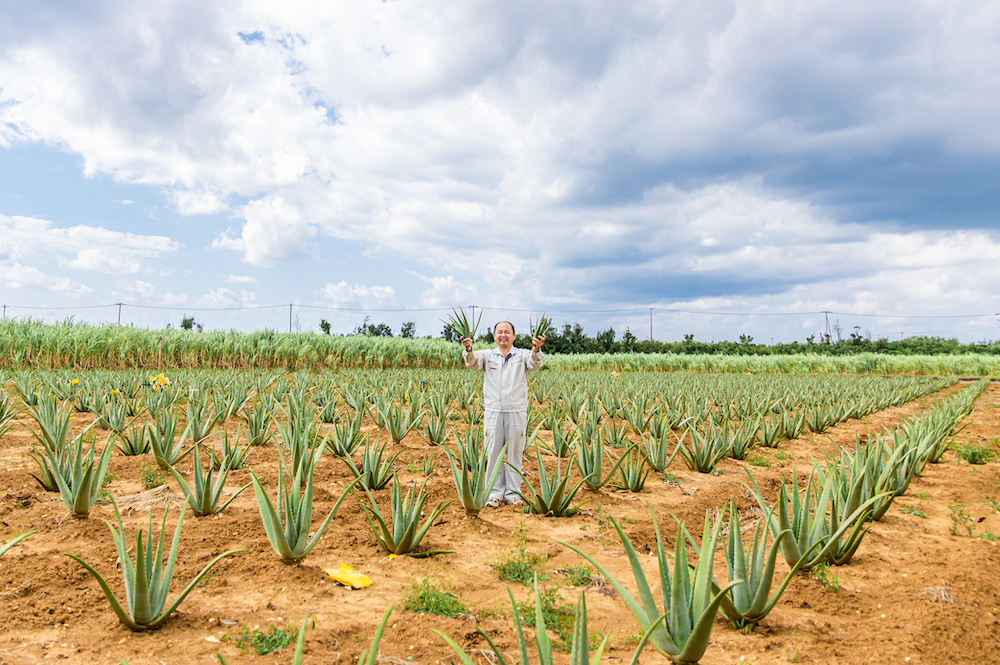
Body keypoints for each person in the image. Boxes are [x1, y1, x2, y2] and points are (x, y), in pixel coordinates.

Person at [461, 321, 545, 507]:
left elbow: (534, 363)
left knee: (515, 452)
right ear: (494, 336)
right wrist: (468, 349)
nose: (503, 335)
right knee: (493, 452)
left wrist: (537, 349)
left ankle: (513, 494)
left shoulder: (522, 355)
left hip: (516, 411)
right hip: (494, 411)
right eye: (500, 332)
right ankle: (494, 493)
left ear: (514, 336)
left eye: (507, 332)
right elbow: (472, 362)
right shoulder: (488, 355)